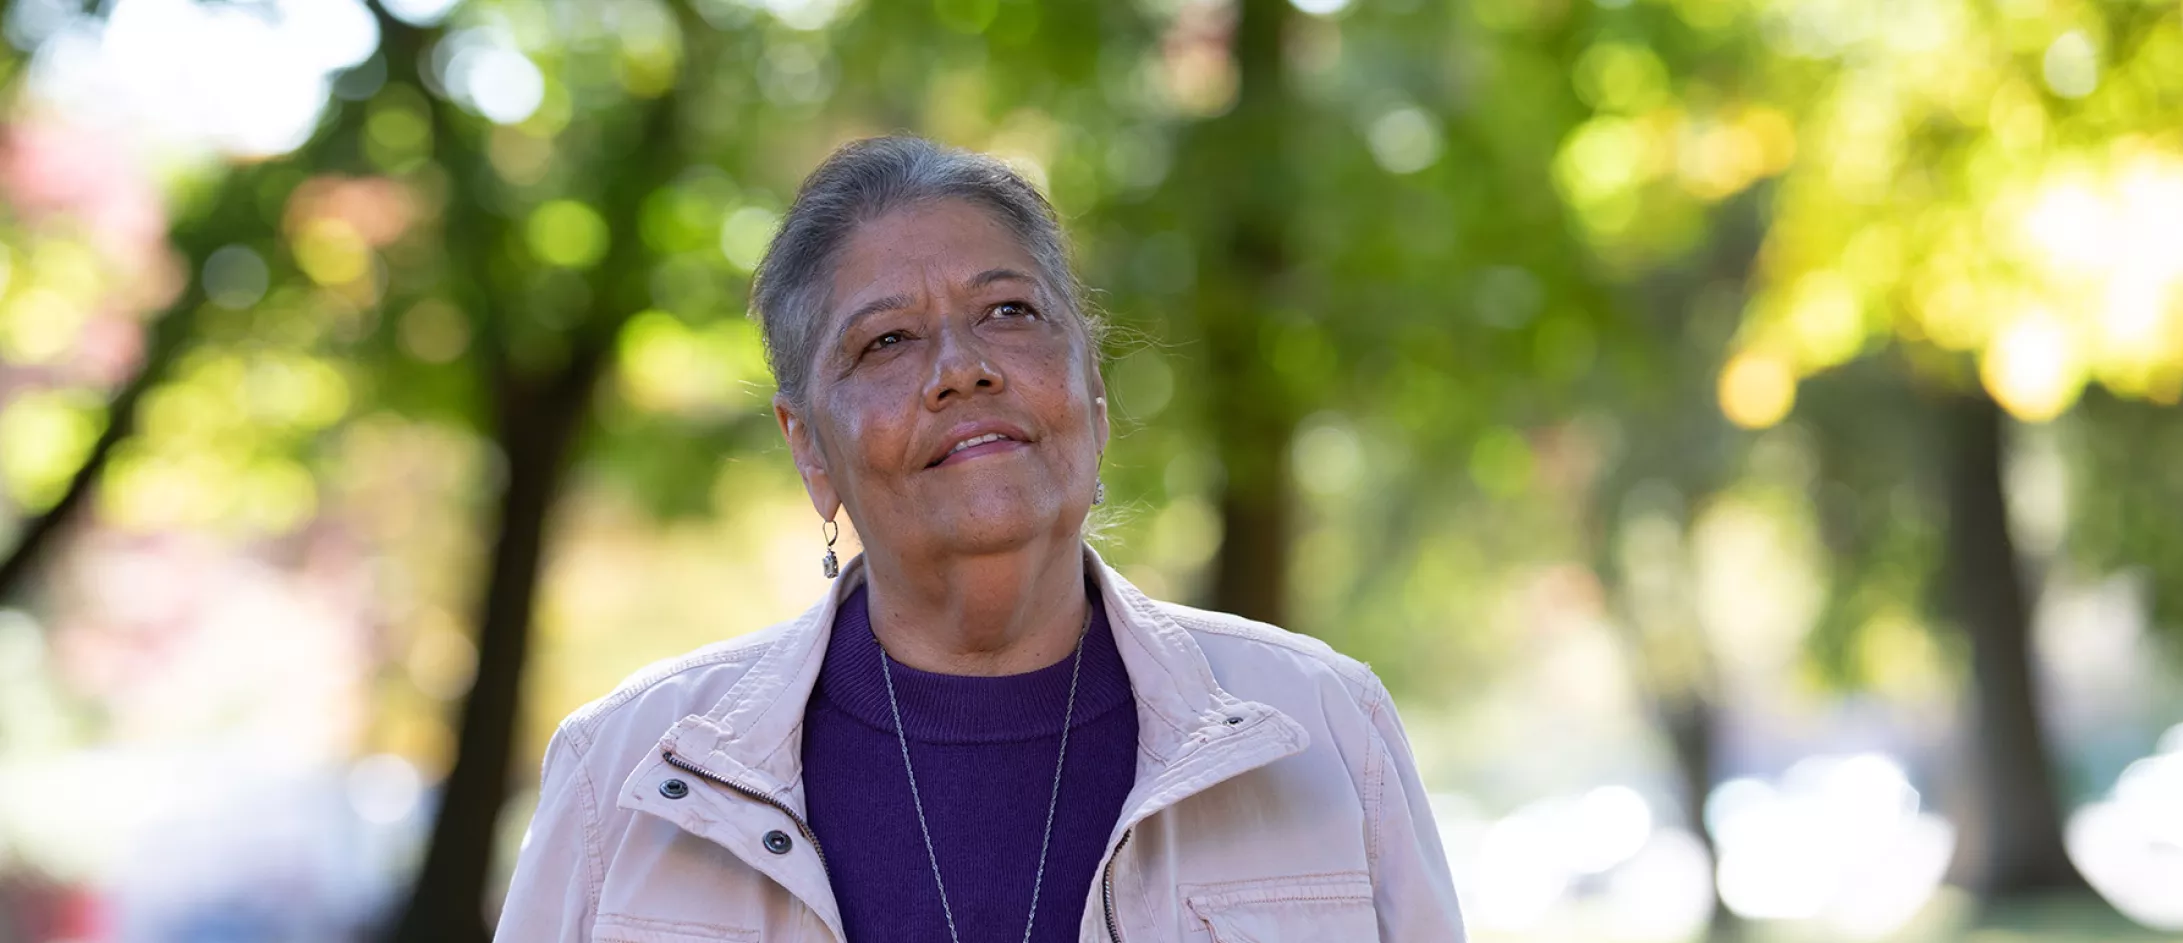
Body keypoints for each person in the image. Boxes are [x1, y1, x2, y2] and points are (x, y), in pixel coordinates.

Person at [493, 135, 1466, 943]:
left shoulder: (1329, 729)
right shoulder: (627, 776)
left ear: (1091, 389)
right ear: (811, 450)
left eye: (1009, 312)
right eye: (886, 341)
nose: (961, 369)